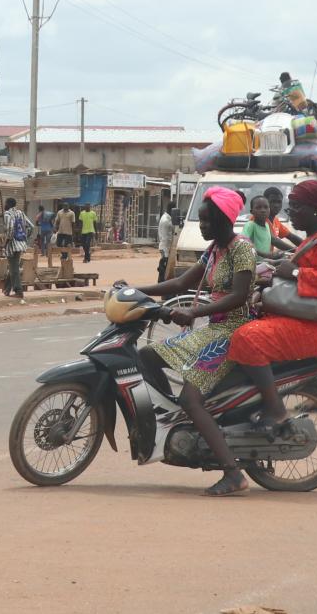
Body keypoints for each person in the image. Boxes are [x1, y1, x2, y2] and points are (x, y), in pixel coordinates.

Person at [129, 187, 256, 497]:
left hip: (232, 333)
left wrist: (195, 311)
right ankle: (172, 419)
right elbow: (180, 282)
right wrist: (135, 290)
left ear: (225, 220)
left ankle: (233, 473)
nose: (202, 226)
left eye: (206, 220)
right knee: (146, 355)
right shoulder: (214, 250)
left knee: (191, 399)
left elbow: (239, 295)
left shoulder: (242, 249)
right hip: (211, 329)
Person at [229, 180, 317, 443]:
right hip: (308, 318)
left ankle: (276, 410)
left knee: (247, 338)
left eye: (296, 206)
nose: (290, 211)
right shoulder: (314, 238)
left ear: (315, 210)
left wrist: (296, 272)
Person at [241, 195, 295, 260]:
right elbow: (243, 243)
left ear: (269, 210)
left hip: (265, 262)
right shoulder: (250, 225)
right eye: (258, 208)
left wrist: (275, 253)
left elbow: (272, 241)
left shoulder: (267, 225)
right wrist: (265, 255)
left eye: (266, 207)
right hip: (254, 265)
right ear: (252, 212)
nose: (263, 210)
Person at [2, 198, 34, 298]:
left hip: (12, 245)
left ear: (8, 204)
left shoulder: (7, 214)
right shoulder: (20, 213)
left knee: (13, 268)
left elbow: (10, 229)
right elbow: (31, 226)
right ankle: (6, 289)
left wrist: (7, 241)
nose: (4, 205)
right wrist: (25, 237)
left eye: (5, 203)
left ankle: (18, 291)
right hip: (21, 244)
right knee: (13, 266)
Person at [157, 205, 176, 283]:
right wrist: (167, 253)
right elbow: (166, 238)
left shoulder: (165, 217)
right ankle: (162, 283)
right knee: (164, 267)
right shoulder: (166, 221)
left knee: (163, 267)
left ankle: (161, 282)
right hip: (165, 247)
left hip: (164, 246)